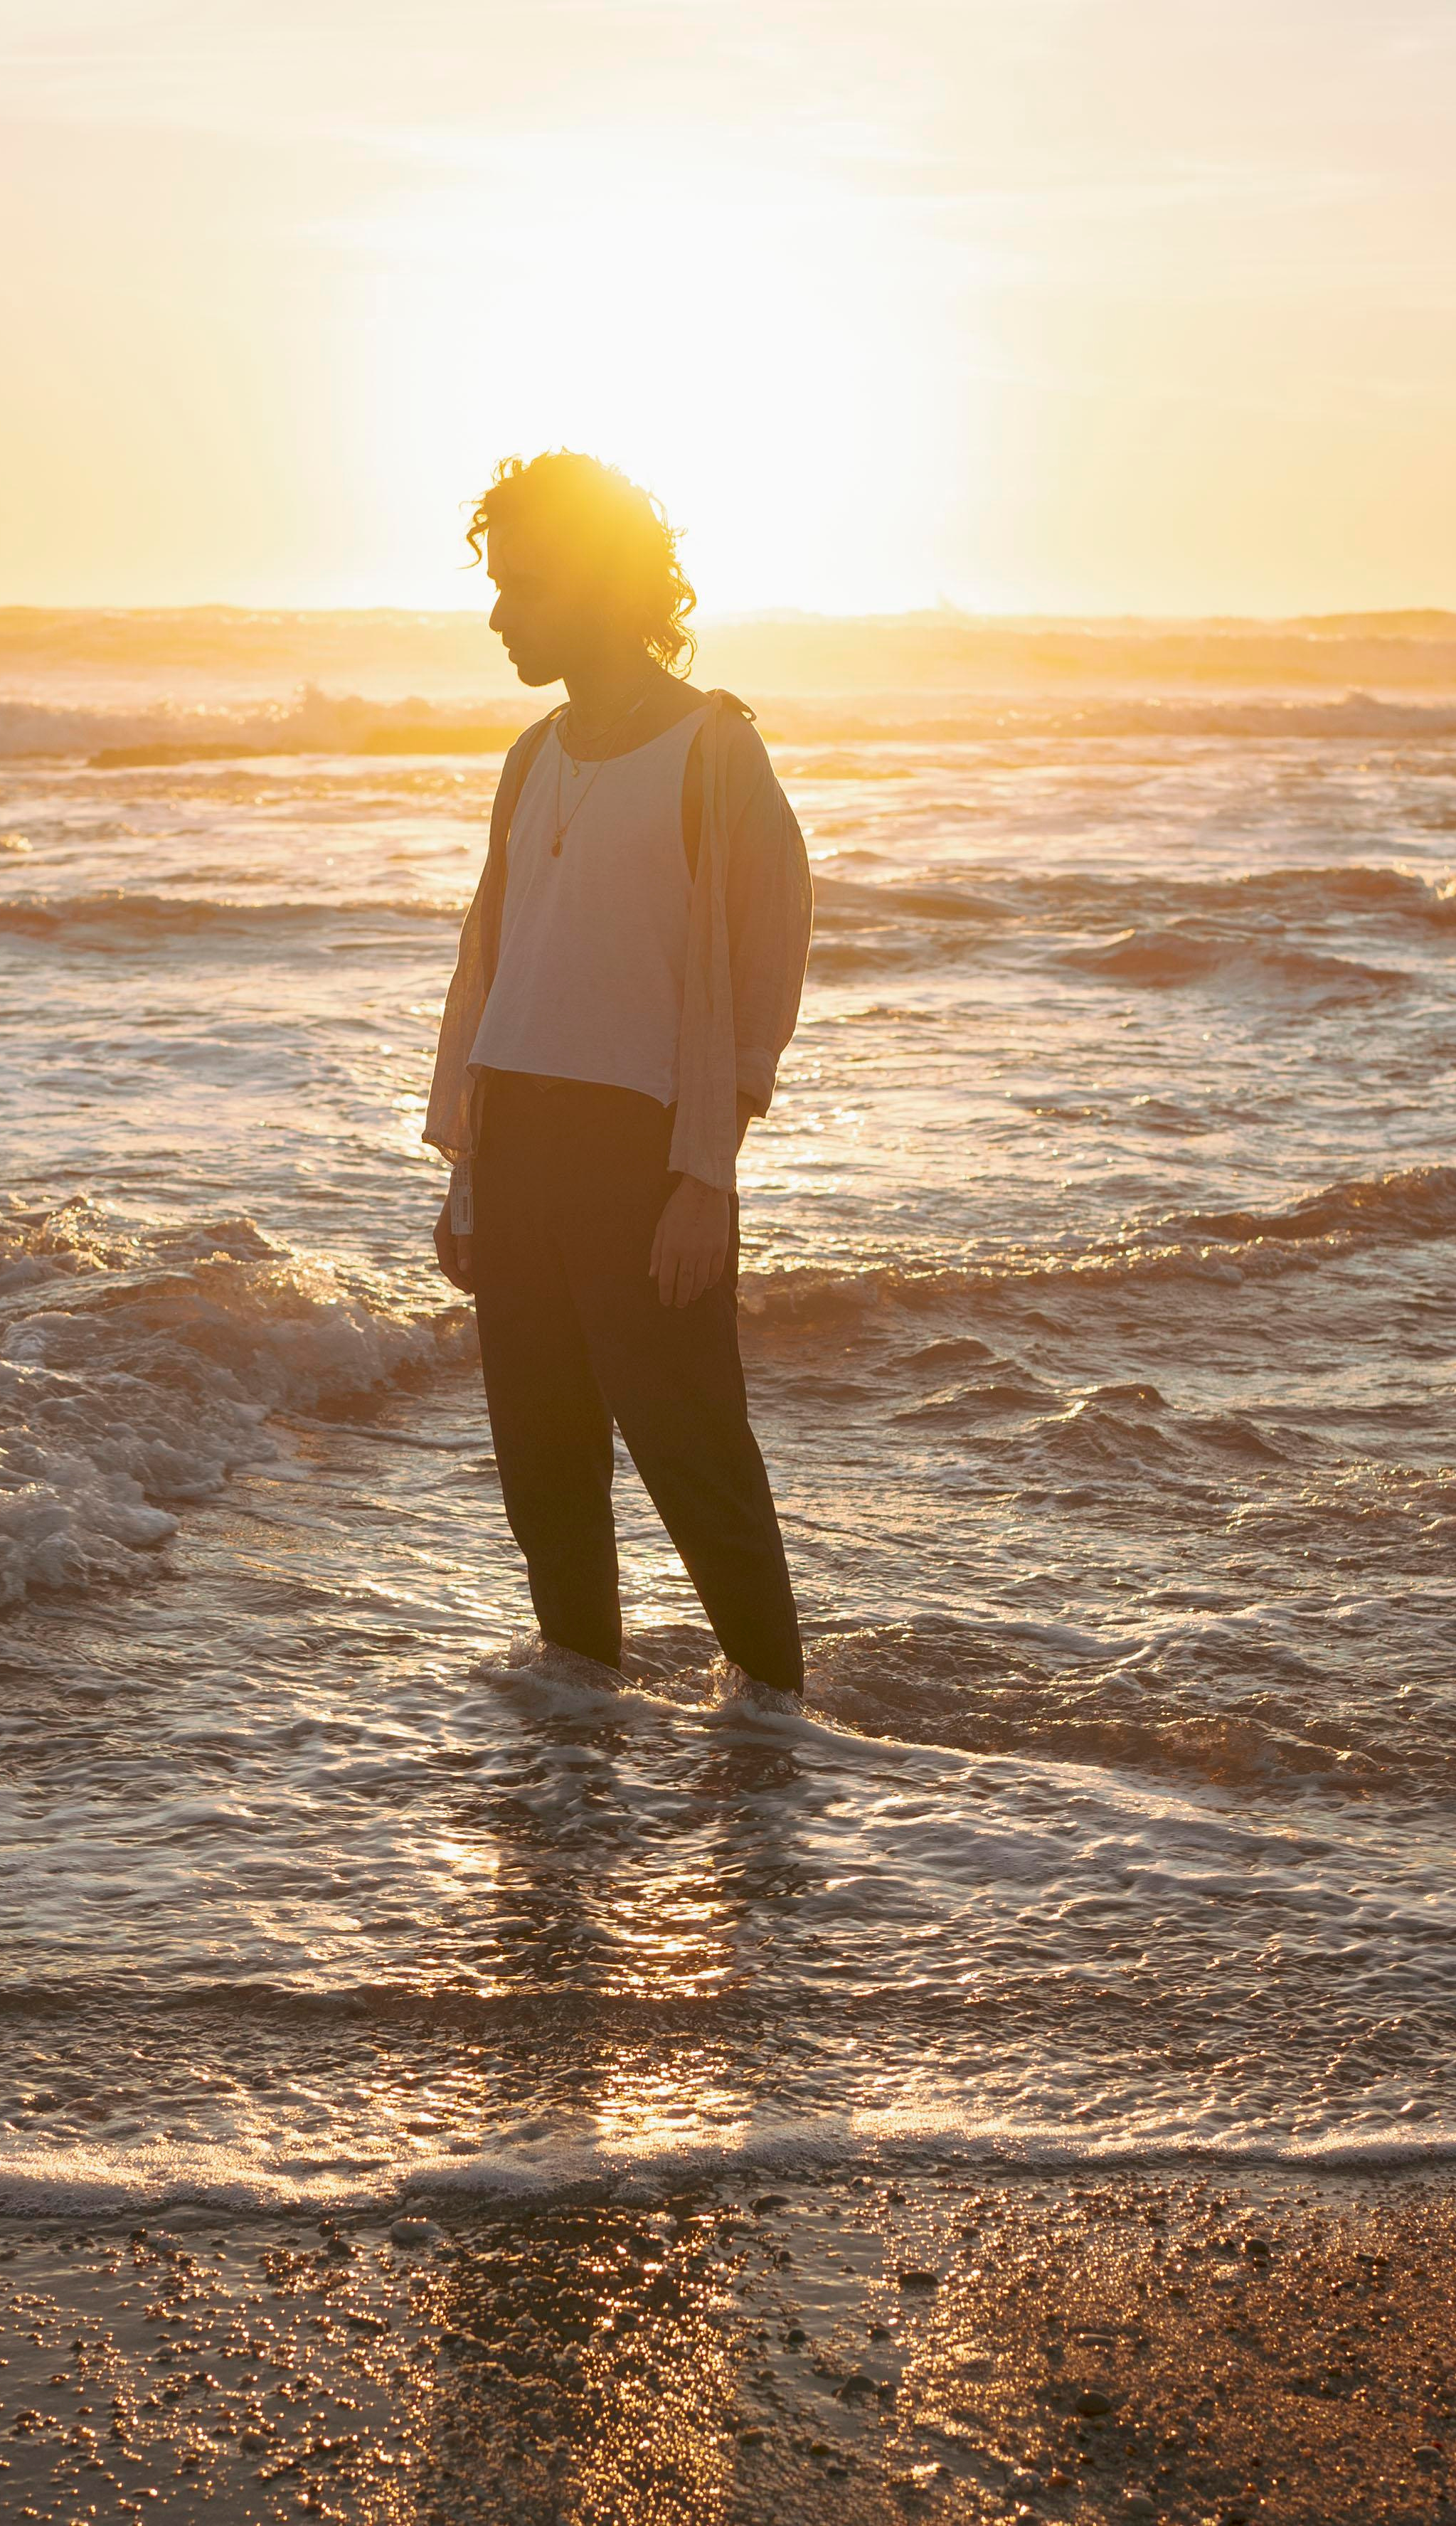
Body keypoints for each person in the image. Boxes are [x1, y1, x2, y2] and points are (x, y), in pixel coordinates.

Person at [425, 450, 812, 1695]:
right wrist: (469, 1169)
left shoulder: (713, 751)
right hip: (522, 1138)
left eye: (525, 587)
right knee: (544, 1474)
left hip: (641, 1155)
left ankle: (775, 1733)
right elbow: (494, 965)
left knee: (695, 1457)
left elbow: (762, 976)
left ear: (594, 588)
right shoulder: (531, 755)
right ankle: (575, 1732)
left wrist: (706, 1179)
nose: (499, 615)